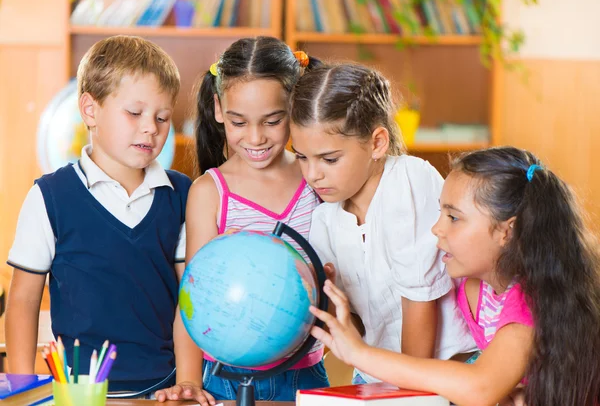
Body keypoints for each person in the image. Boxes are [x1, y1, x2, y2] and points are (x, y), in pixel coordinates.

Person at [310, 146, 600, 406]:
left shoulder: (529, 304)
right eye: (440, 213)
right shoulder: (478, 284)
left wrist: (359, 353)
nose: (436, 228)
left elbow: (480, 387)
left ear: (506, 232)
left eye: (453, 217)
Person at [5, 35, 191, 394]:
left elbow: (192, 301)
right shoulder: (49, 197)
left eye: (163, 117)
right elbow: (24, 300)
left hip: (164, 390)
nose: (151, 127)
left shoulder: (183, 195)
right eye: (135, 113)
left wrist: (186, 382)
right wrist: (22, 387)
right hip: (79, 393)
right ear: (90, 110)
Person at [156, 36, 327, 405]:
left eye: (272, 120)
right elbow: (193, 299)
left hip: (305, 372)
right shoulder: (210, 192)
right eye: (239, 121)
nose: (255, 137)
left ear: (294, 106)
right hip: (223, 380)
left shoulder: (316, 178)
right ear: (218, 108)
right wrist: (188, 381)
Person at [289, 63, 477, 384]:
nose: (312, 174)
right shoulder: (325, 217)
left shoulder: (408, 181)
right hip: (380, 372)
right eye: (302, 157)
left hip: (442, 370)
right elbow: (356, 323)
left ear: (377, 143)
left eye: (329, 159)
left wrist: (405, 392)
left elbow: (420, 302)